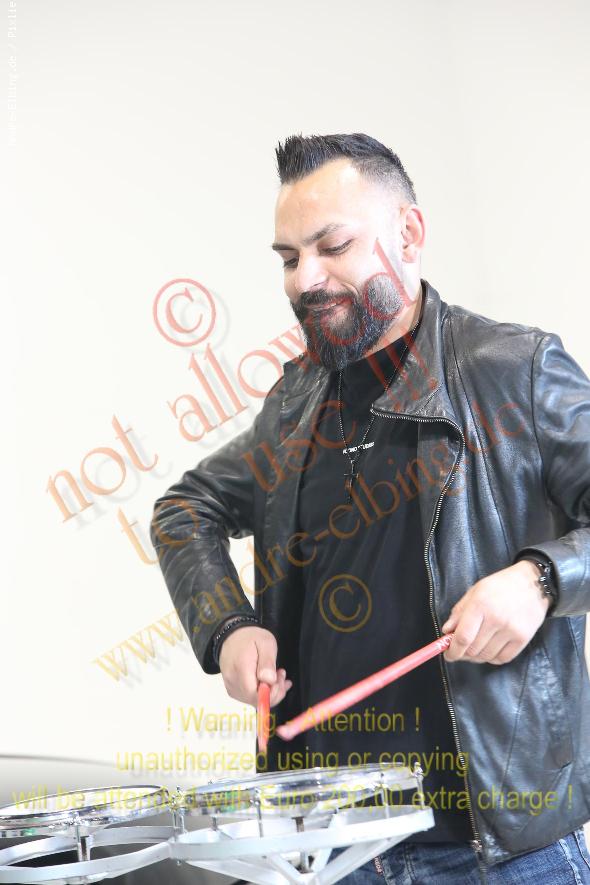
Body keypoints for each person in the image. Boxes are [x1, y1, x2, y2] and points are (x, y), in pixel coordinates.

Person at [150, 133, 590, 882]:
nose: (305, 279)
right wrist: (227, 627)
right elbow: (184, 508)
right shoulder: (293, 402)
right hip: (332, 852)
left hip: (500, 854)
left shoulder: (515, 368)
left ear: (408, 235)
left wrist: (541, 579)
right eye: (289, 258)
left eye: (333, 246)